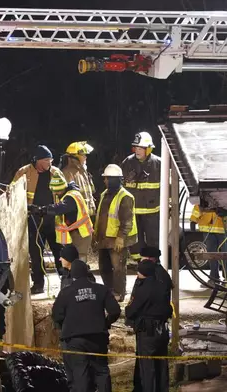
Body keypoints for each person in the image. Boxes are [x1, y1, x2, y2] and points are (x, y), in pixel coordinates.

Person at [52, 260, 120, 392]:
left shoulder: (66, 292)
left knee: (80, 373)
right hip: (98, 336)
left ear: (72, 275)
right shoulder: (101, 289)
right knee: (101, 371)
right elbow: (115, 311)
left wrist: (66, 326)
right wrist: (105, 323)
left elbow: (56, 316)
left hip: (75, 340)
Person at [13, 145, 67, 294]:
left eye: (51, 160)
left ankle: (66, 281)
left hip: (54, 220)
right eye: (46, 160)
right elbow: (12, 193)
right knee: (36, 253)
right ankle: (38, 284)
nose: (50, 163)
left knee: (60, 252)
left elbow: (65, 193)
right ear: (37, 160)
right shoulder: (24, 173)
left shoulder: (56, 173)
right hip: (33, 220)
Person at [125, 261, 173, 392]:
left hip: (147, 332)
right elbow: (169, 309)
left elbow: (131, 311)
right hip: (162, 330)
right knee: (162, 365)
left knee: (148, 368)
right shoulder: (162, 286)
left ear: (143, 273)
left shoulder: (142, 289)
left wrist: (128, 310)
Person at [95, 164, 138, 302]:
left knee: (118, 268)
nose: (104, 181)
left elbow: (127, 221)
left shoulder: (125, 196)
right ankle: (109, 291)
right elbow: (100, 217)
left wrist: (121, 238)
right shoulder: (104, 194)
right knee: (104, 267)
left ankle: (119, 293)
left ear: (114, 179)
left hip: (116, 240)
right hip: (104, 238)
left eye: (106, 178)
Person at [121, 132, 162, 263]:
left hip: (152, 211)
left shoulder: (159, 163)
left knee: (153, 238)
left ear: (148, 149)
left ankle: (153, 262)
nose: (137, 151)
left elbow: (169, 186)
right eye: (136, 148)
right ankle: (138, 262)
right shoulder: (127, 162)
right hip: (133, 211)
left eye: (141, 148)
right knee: (135, 239)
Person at [30, 180, 94, 262]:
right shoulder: (65, 195)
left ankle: (80, 274)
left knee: (79, 260)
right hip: (74, 232)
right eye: (55, 191)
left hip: (81, 233)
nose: (56, 193)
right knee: (72, 260)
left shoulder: (71, 197)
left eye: (58, 191)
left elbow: (59, 208)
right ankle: (72, 274)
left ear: (64, 187)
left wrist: (42, 210)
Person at [190, 204, 227, 286]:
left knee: (225, 256)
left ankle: (226, 280)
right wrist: (193, 219)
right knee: (211, 256)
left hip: (224, 228)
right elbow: (199, 204)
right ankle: (213, 279)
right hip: (208, 229)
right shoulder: (206, 192)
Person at [61, 141, 97, 217]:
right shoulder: (67, 172)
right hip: (77, 217)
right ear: (75, 156)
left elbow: (91, 192)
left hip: (87, 215)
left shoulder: (83, 171)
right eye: (83, 155)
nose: (85, 157)